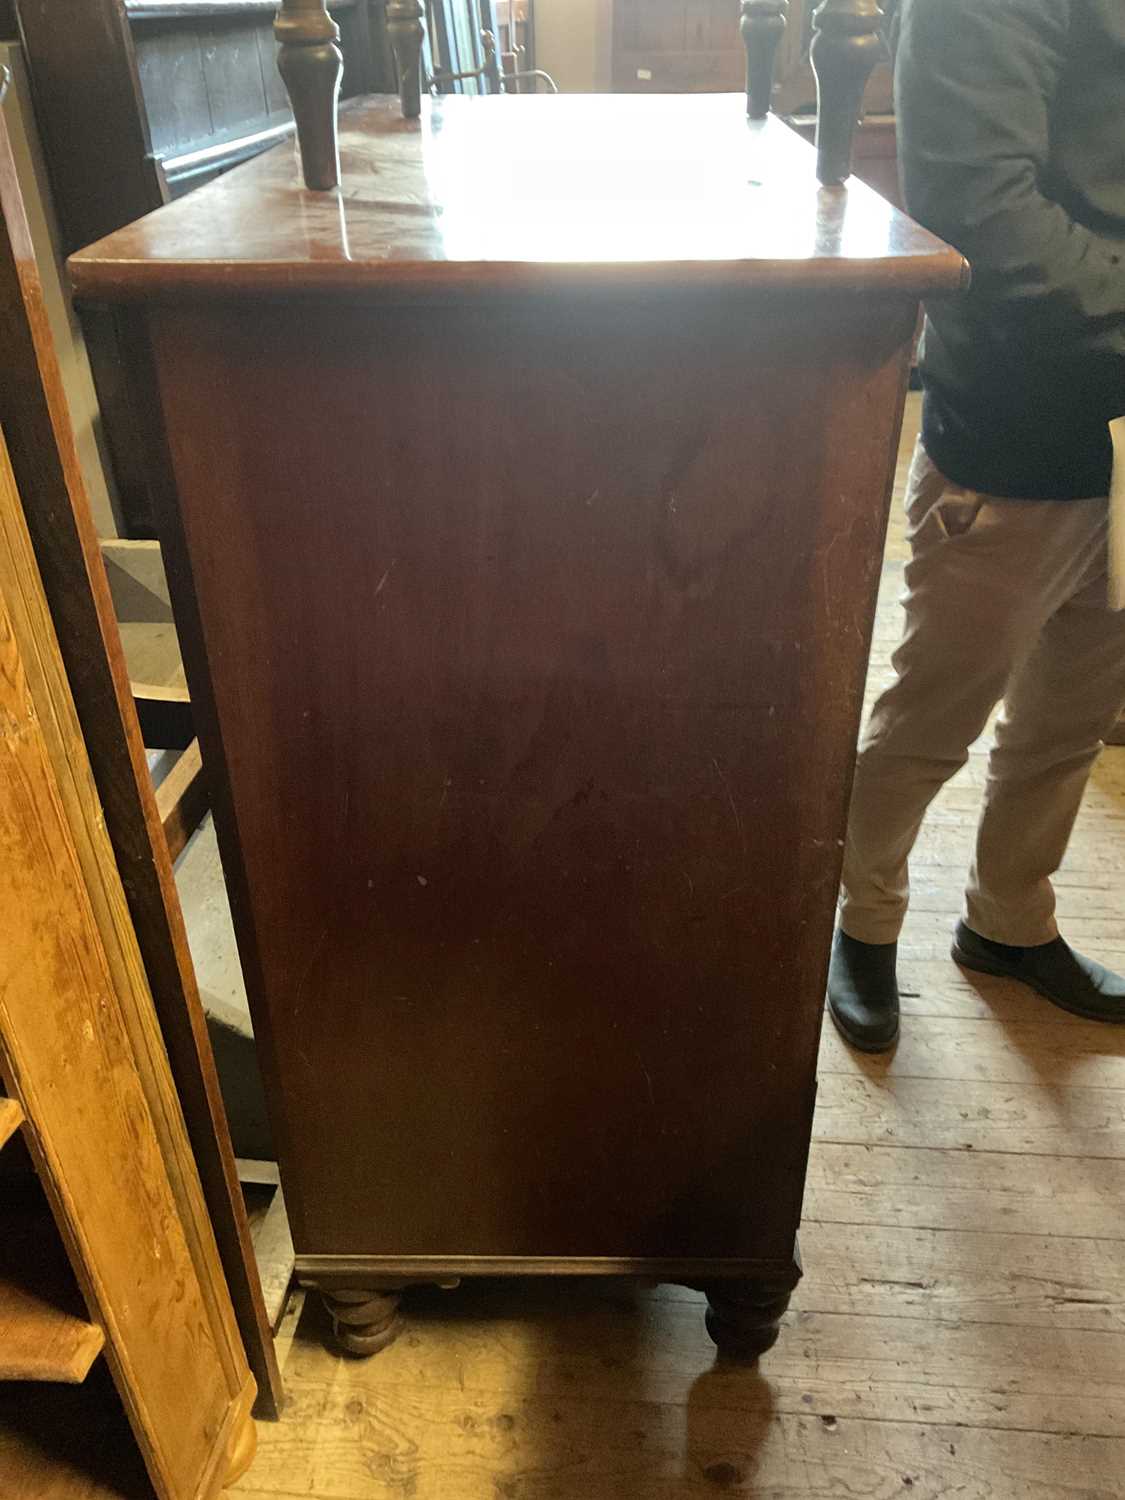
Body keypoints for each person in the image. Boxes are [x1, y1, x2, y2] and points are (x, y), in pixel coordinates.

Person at [827, 0, 1125, 1051]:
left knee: (1070, 719)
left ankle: (1009, 921)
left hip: (1122, 445)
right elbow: (989, 217)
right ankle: (861, 922)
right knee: (928, 721)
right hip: (1015, 426)